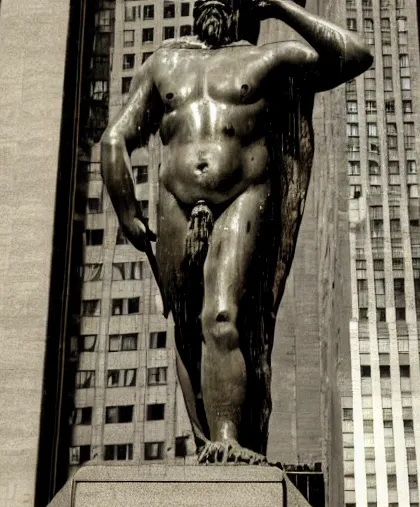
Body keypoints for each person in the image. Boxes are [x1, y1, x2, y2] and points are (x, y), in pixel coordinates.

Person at [101, 0, 372, 464]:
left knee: (222, 316)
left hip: (243, 198)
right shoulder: (163, 63)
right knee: (186, 330)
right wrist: (127, 210)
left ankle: (228, 436)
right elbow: (114, 138)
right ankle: (206, 439)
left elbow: (354, 55)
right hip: (174, 203)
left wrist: (281, 8)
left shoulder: (267, 59)